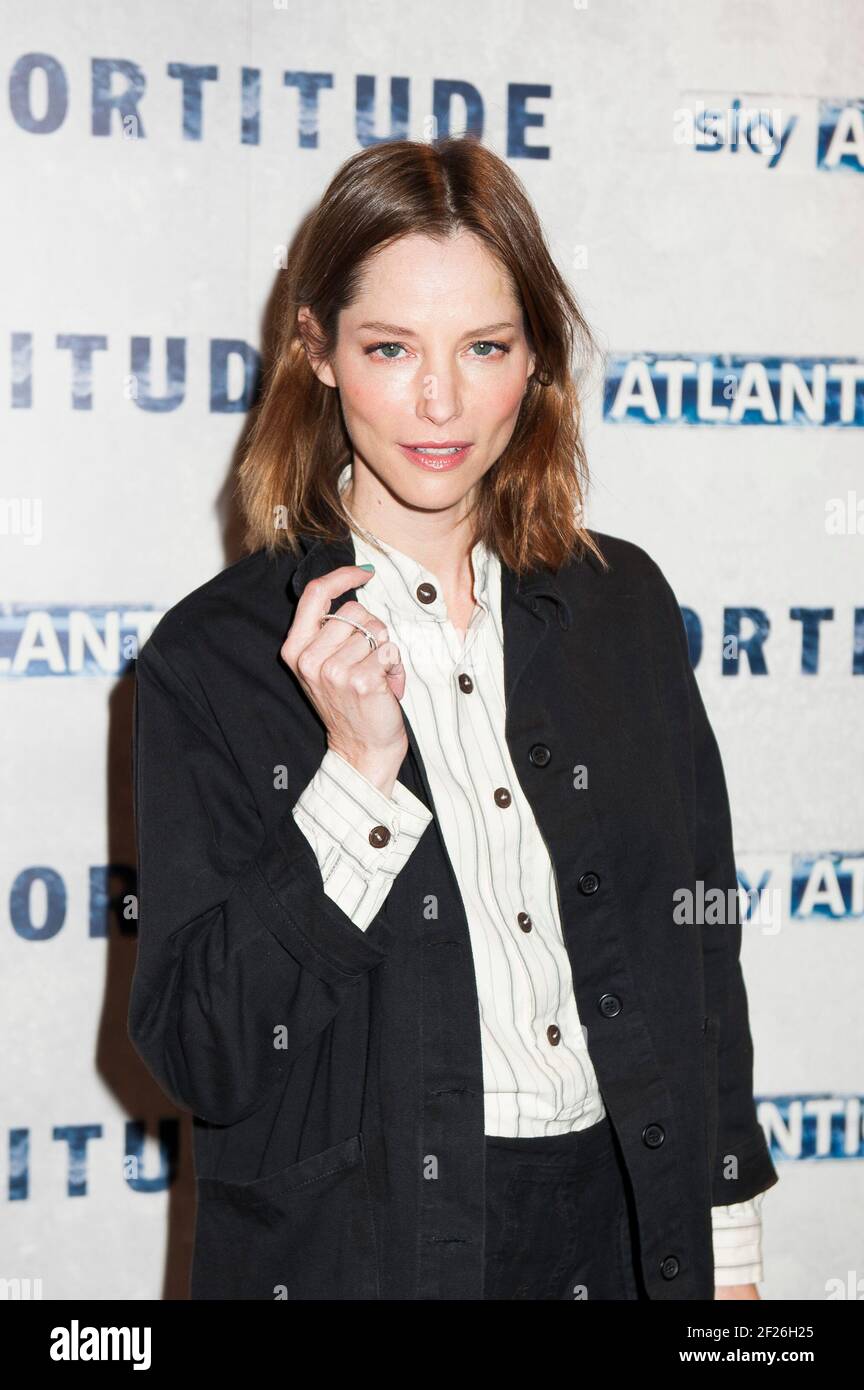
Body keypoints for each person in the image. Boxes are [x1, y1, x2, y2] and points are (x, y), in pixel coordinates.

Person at [128, 135, 778, 1301]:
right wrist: (356, 782)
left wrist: (728, 1248)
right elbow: (203, 1055)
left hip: (630, 1233)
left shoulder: (620, 603)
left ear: (536, 359)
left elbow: (700, 943)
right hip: (368, 1257)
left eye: (485, 346)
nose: (440, 401)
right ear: (316, 351)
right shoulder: (214, 657)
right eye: (391, 348)